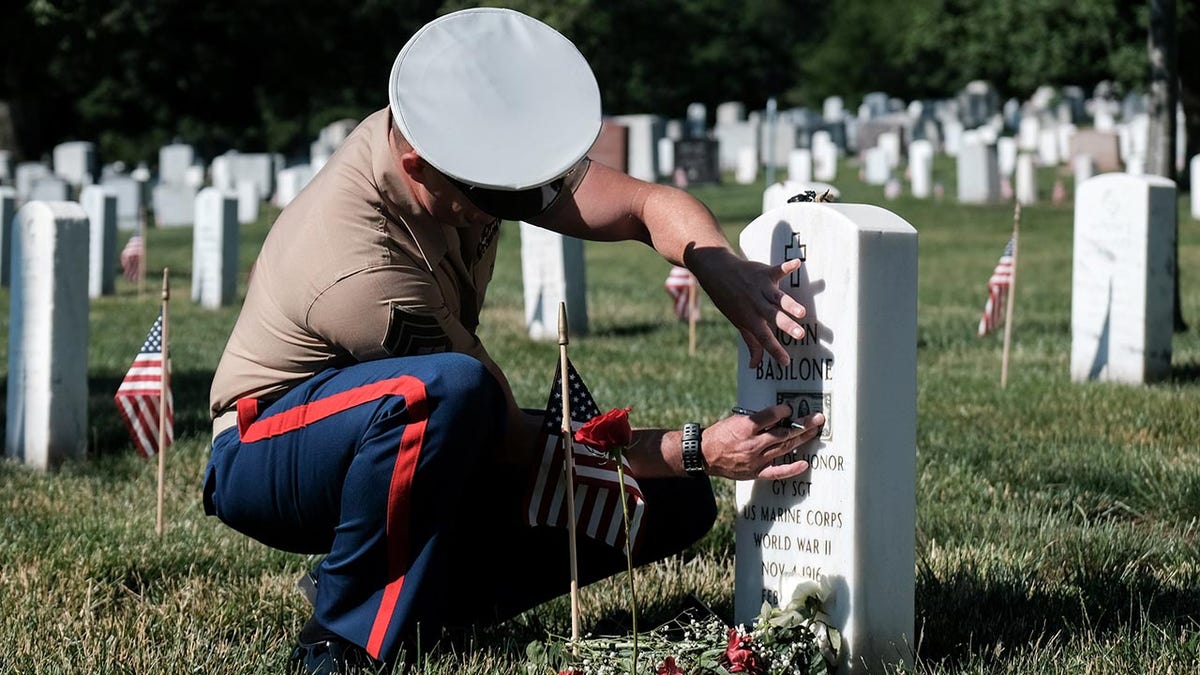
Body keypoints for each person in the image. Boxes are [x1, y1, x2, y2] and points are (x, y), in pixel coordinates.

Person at [203, 7, 824, 673]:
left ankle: (432, 605)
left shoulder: (464, 156)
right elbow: (502, 433)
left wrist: (715, 262)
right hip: (268, 446)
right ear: (415, 163)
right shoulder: (357, 263)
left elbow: (645, 205)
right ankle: (342, 639)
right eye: (494, 200)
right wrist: (692, 445)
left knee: (669, 500)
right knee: (449, 392)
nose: (510, 209)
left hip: (407, 423)